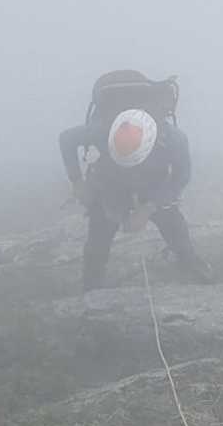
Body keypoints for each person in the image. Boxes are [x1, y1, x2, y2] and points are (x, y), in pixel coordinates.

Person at [58, 69, 212, 291]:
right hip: (109, 182)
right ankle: (91, 286)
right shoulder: (102, 129)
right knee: (99, 237)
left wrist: (148, 208)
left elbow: (181, 177)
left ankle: (191, 266)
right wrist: (77, 182)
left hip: (153, 186)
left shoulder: (173, 139)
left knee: (175, 230)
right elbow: (66, 139)